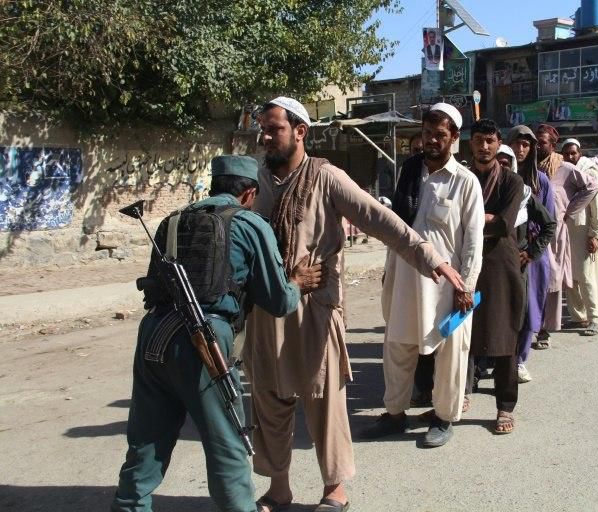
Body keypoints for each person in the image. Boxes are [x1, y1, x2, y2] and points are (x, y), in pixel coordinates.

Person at [244, 98, 465, 511]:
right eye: (263, 129)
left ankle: (335, 489)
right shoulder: (261, 180)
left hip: (315, 309)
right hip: (268, 307)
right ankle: (279, 489)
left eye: (274, 128)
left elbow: (382, 221)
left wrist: (433, 260)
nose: (266, 136)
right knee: (269, 400)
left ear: (300, 131)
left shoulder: (327, 177)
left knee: (324, 400)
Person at [111, 155, 322, 512]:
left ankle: (129, 505)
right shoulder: (250, 223)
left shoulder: (171, 221)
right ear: (249, 193)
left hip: (153, 336)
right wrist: (297, 282)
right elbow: (279, 301)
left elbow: (154, 287)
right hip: (202, 340)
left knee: (147, 438)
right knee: (227, 441)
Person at [362, 102, 484, 448]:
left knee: (450, 352)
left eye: (439, 135)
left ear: (454, 138)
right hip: (404, 276)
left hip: (449, 286)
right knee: (398, 346)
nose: (432, 140)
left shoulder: (466, 182)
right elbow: (397, 228)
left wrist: (467, 286)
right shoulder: (411, 172)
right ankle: (395, 414)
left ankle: (443, 417)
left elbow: (474, 242)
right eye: (428, 133)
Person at [463, 119, 525, 433]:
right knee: (463, 333)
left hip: (501, 264)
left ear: (498, 142)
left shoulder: (512, 181)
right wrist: (485, 217)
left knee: (504, 336)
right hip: (464, 262)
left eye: (489, 140)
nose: (484, 147)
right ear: (470, 143)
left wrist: (473, 219)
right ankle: (459, 394)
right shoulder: (461, 178)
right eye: (478, 140)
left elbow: (504, 223)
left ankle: (505, 407)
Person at [536, 124, 598, 343]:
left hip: (554, 235)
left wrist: (569, 211)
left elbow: (591, 187)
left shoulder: (564, 168)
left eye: (542, 142)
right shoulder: (528, 167)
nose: (537, 146)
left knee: (551, 280)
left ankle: (544, 329)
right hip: (531, 232)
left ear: (553, 145)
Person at [508, 125, 555, 354]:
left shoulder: (541, 181)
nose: (520, 149)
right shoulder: (500, 175)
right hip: (505, 251)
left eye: (526, 144)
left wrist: (532, 251)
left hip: (533, 254)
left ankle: (520, 359)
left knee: (529, 308)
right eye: (516, 143)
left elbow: (549, 221)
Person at [561, 138, 598, 336]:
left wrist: (594, 234)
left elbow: (596, 206)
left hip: (584, 229)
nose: (570, 156)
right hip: (565, 230)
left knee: (587, 275)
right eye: (567, 153)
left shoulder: (589, 171)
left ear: (580, 153)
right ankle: (579, 317)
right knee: (569, 277)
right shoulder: (562, 170)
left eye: (573, 153)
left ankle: (595, 317)